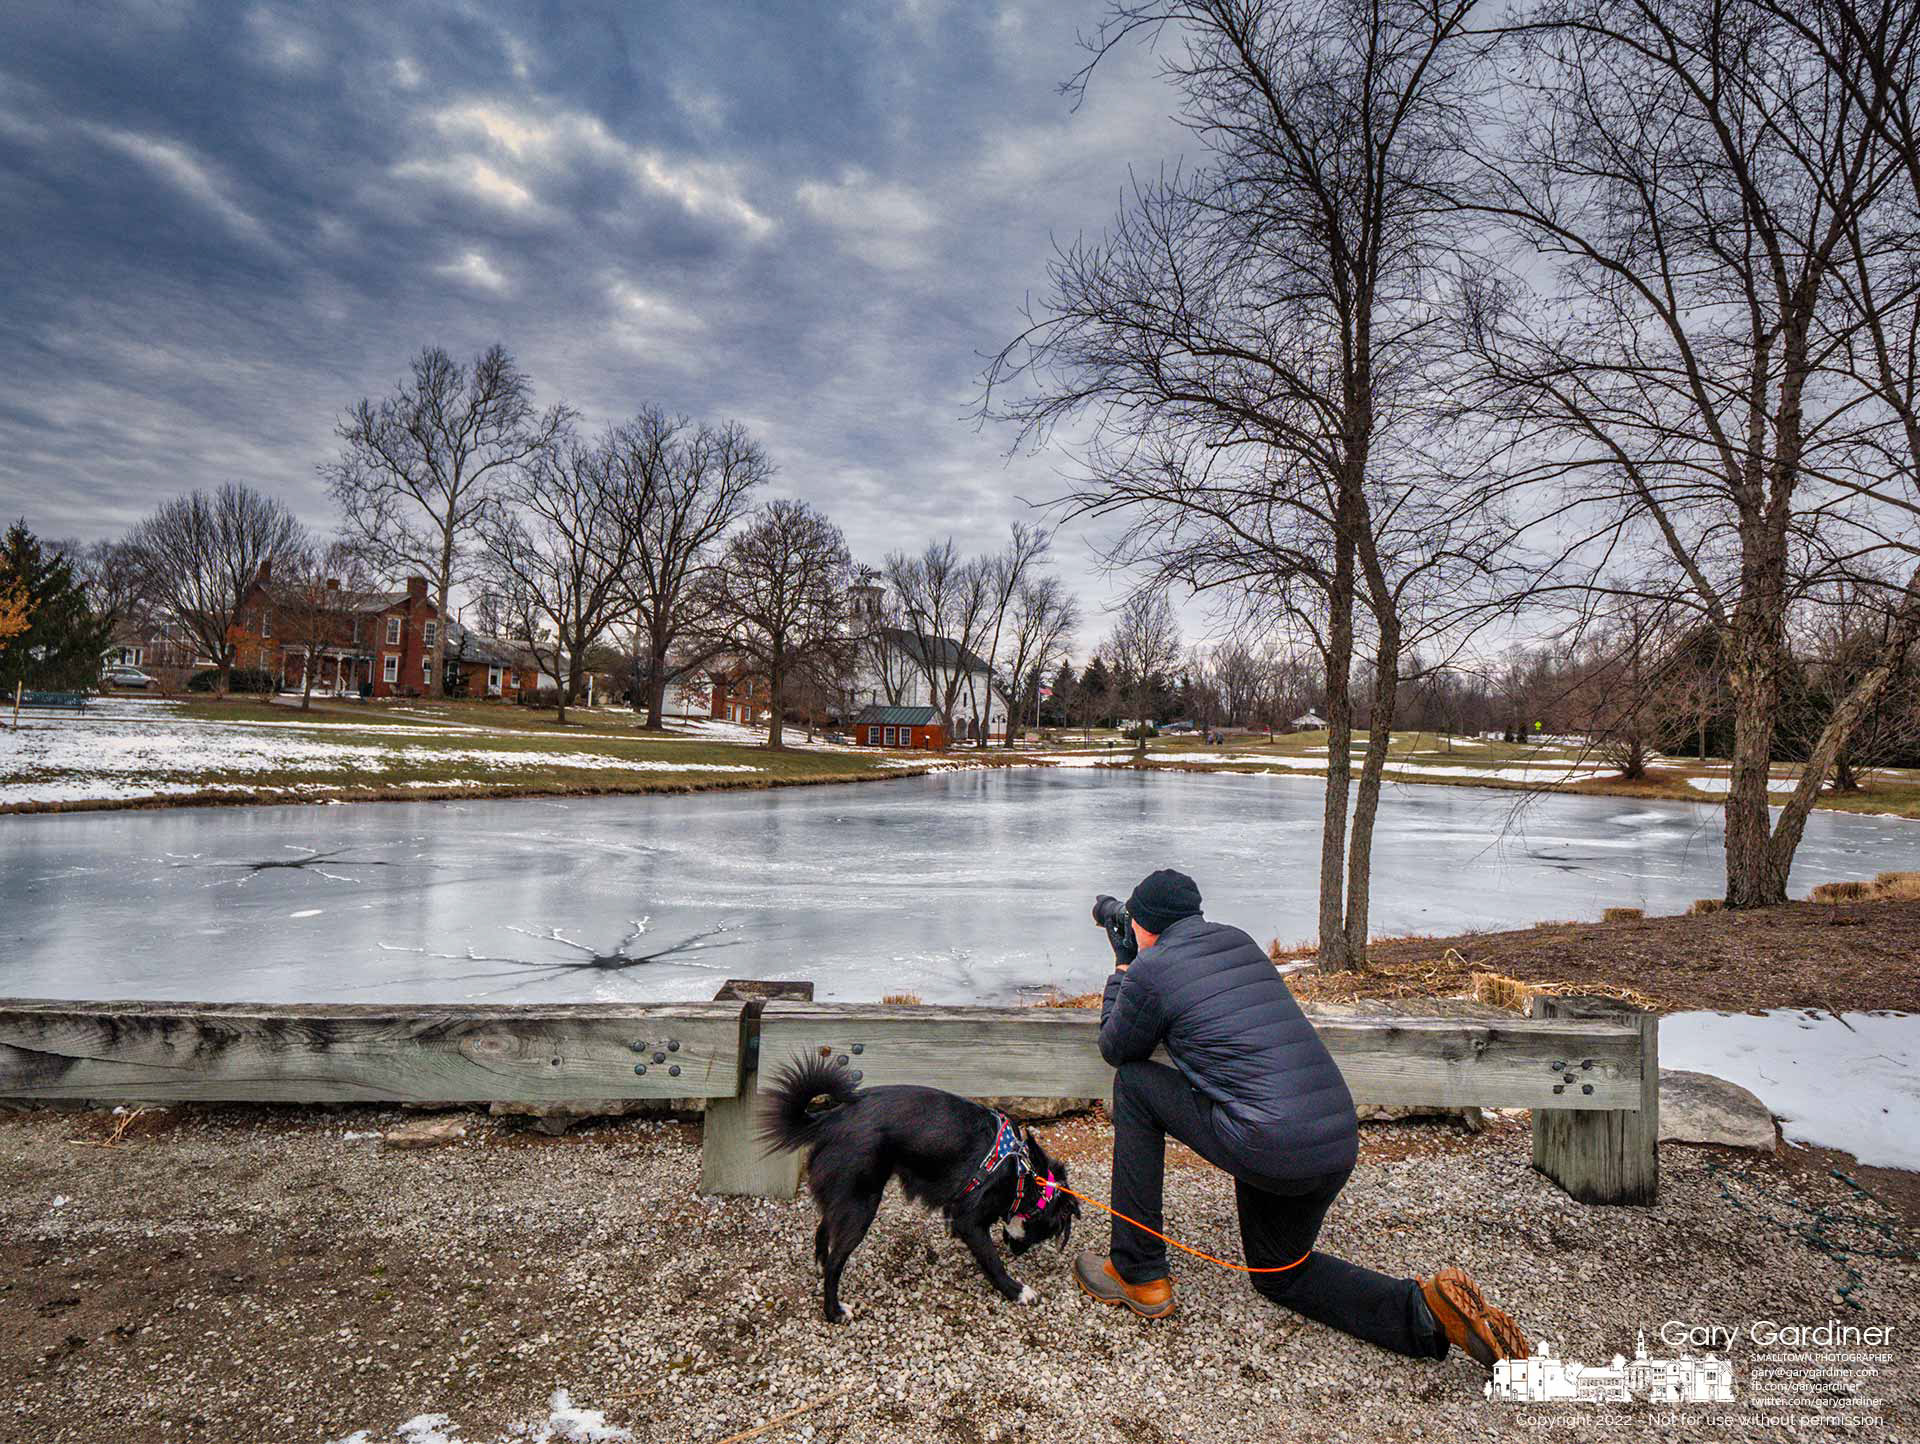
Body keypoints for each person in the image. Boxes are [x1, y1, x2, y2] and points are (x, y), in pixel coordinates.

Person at [1072, 868, 1530, 1368]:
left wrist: (1122, 968)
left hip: (1268, 1143)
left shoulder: (1150, 970)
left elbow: (1116, 1048)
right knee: (1278, 1275)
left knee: (1135, 1085)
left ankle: (1137, 1272)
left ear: (1144, 925)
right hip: (1332, 1141)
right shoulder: (1239, 943)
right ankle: (1426, 1313)